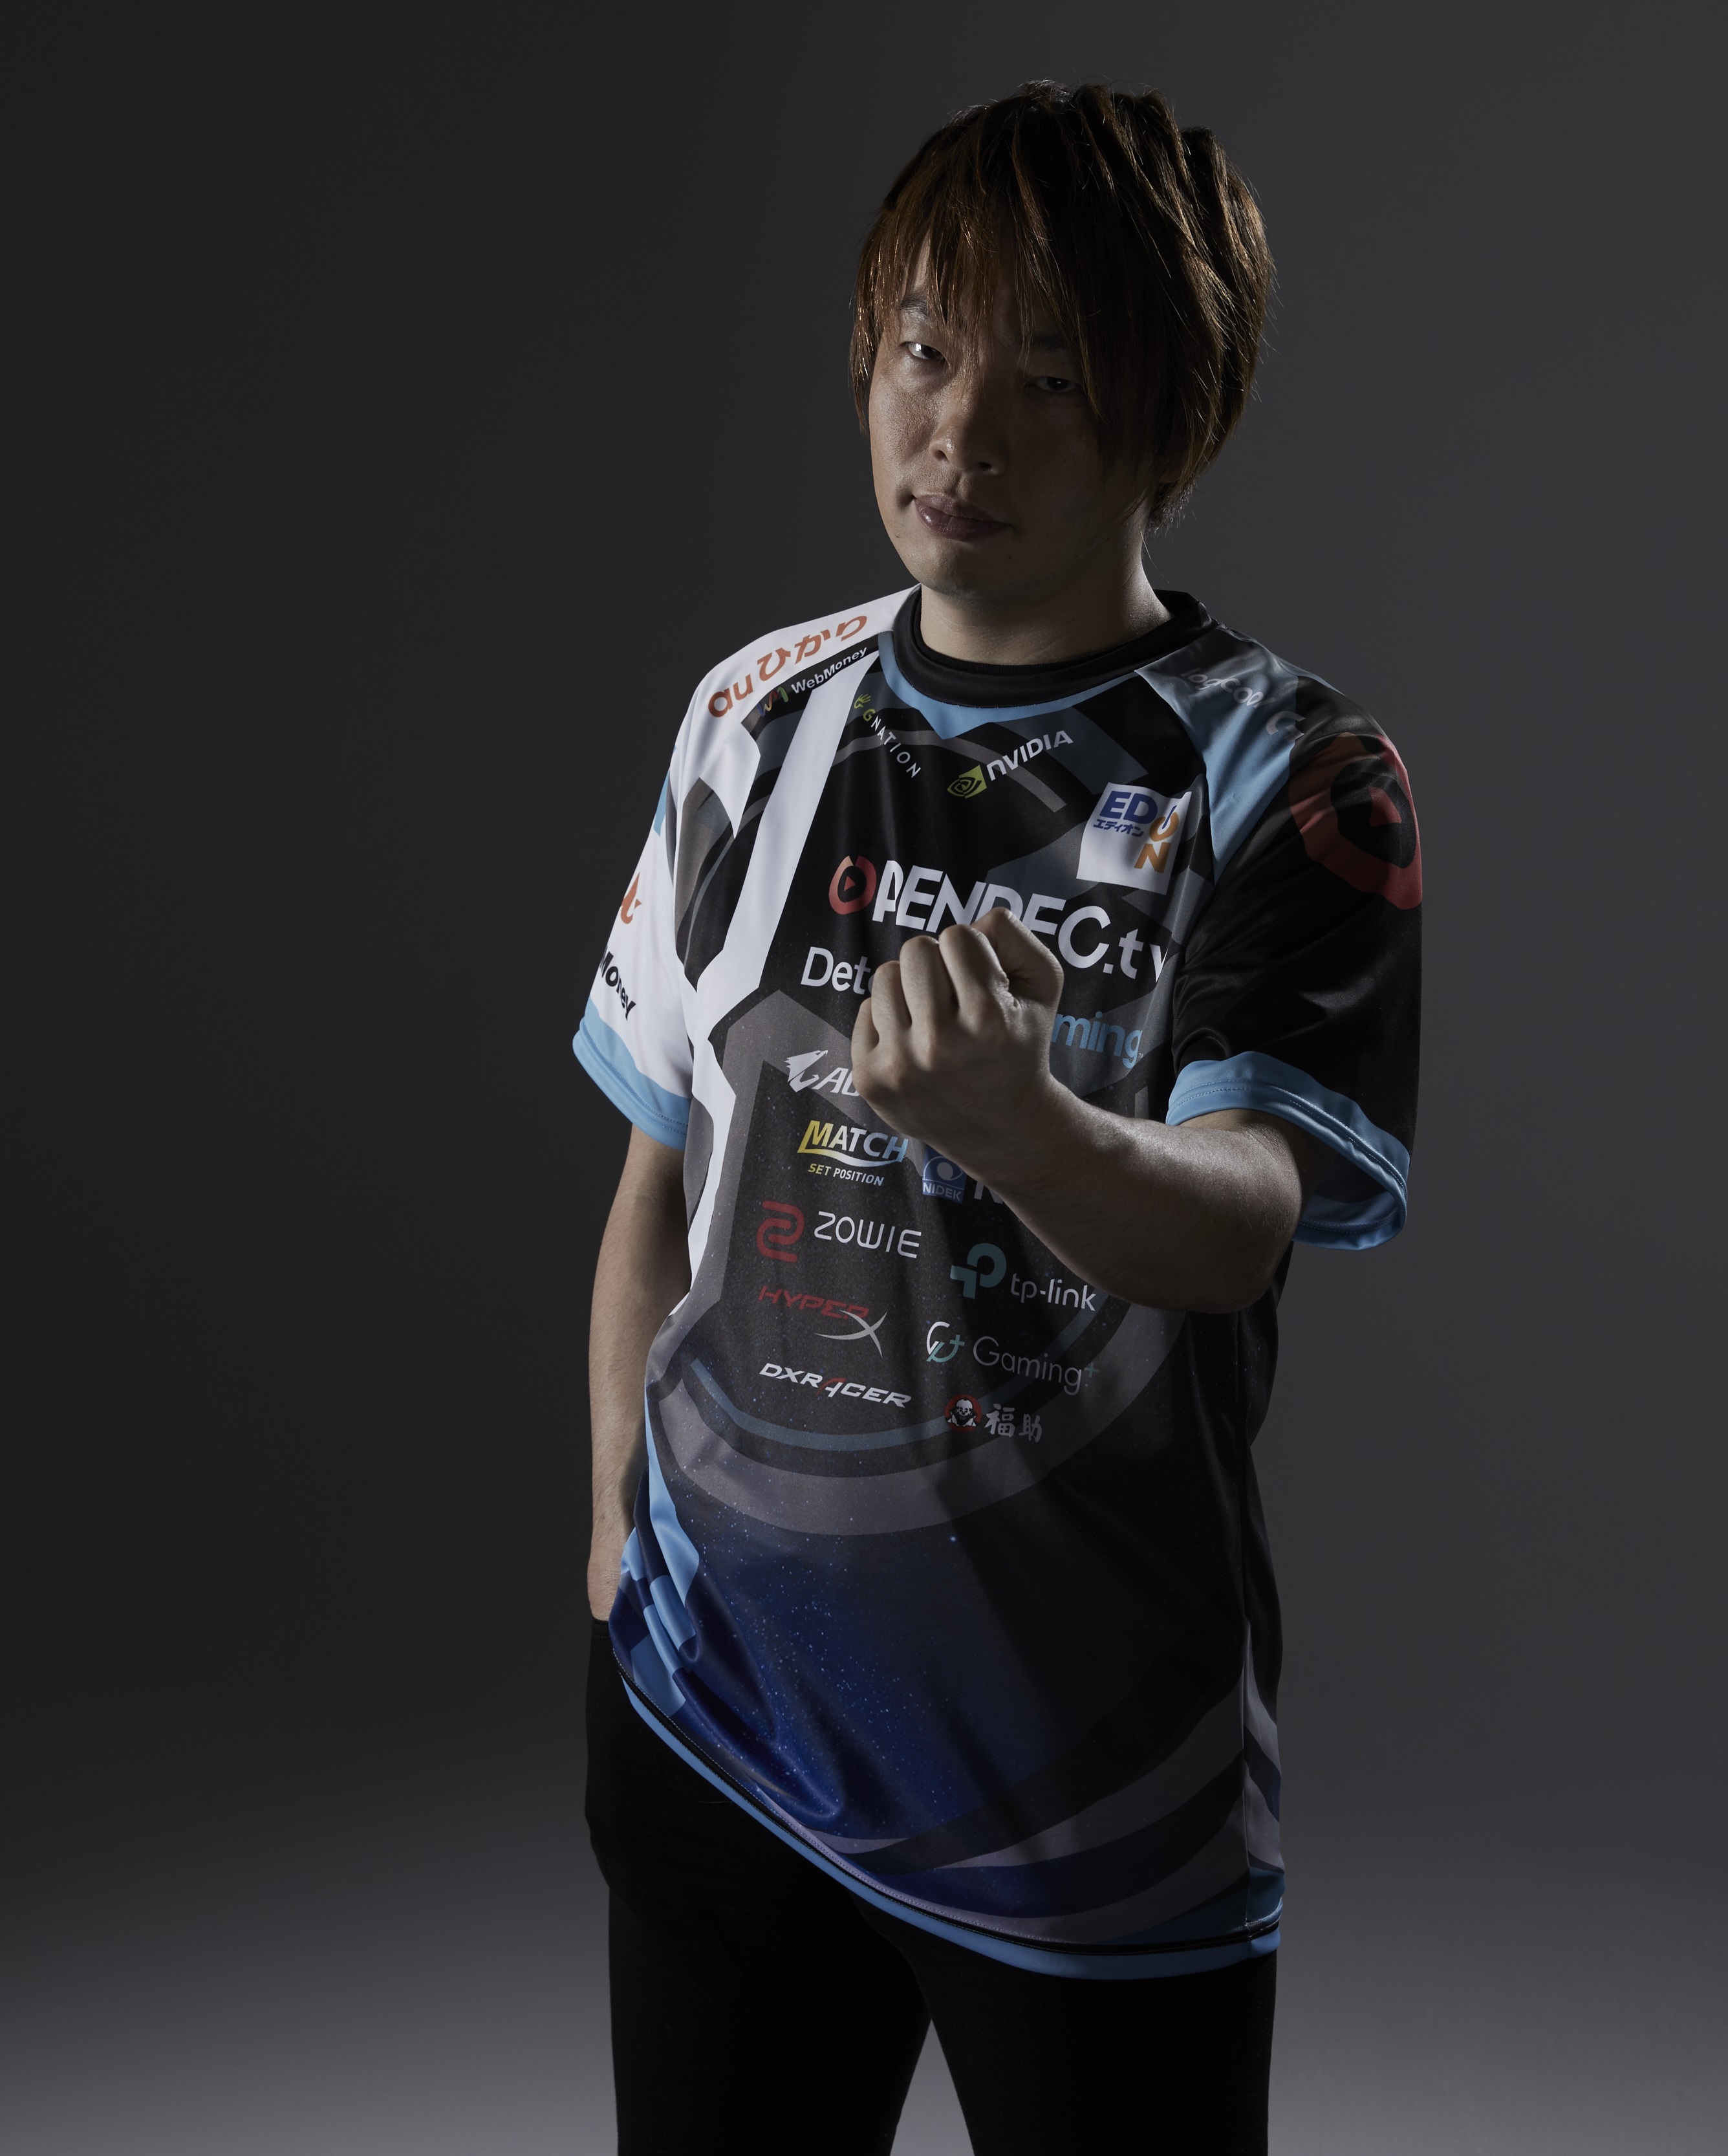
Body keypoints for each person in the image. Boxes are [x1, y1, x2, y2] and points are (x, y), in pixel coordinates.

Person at [574, 80, 1420, 2155]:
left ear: (1171, 416)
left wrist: (1018, 1127)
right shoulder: (754, 715)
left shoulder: (1293, 776)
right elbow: (658, 1180)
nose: (961, 431)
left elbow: (1241, 1220)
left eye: (1048, 377)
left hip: (1086, 1795)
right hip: (713, 1732)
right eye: (925, 351)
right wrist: (615, 1540)